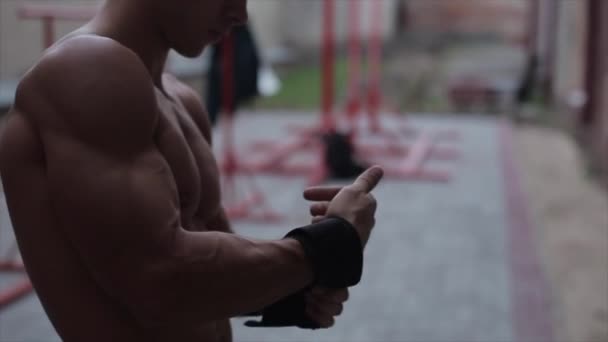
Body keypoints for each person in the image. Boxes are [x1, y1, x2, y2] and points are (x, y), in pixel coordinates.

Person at [0, 0, 384, 341]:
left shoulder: (180, 100)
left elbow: (209, 270)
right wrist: (326, 248)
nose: (239, 13)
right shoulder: (85, 70)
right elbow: (157, 282)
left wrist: (296, 288)